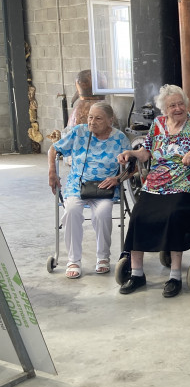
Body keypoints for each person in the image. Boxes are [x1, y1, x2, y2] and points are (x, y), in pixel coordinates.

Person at [117, 85, 190, 297]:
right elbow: (146, 153)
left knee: (173, 215)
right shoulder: (158, 124)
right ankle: (137, 274)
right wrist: (130, 151)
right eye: (172, 105)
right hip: (156, 182)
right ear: (164, 109)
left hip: (185, 181)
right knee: (138, 217)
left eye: (180, 104)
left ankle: (175, 276)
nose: (178, 108)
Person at [48, 101, 131, 279]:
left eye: (98, 118)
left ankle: (103, 257)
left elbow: (133, 167)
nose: (92, 122)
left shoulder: (120, 138)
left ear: (110, 120)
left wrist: (117, 179)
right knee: (71, 210)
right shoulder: (79, 131)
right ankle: (73, 260)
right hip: (77, 185)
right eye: (90, 117)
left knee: (103, 212)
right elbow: (53, 150)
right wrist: (52, 172)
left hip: (105, 188)